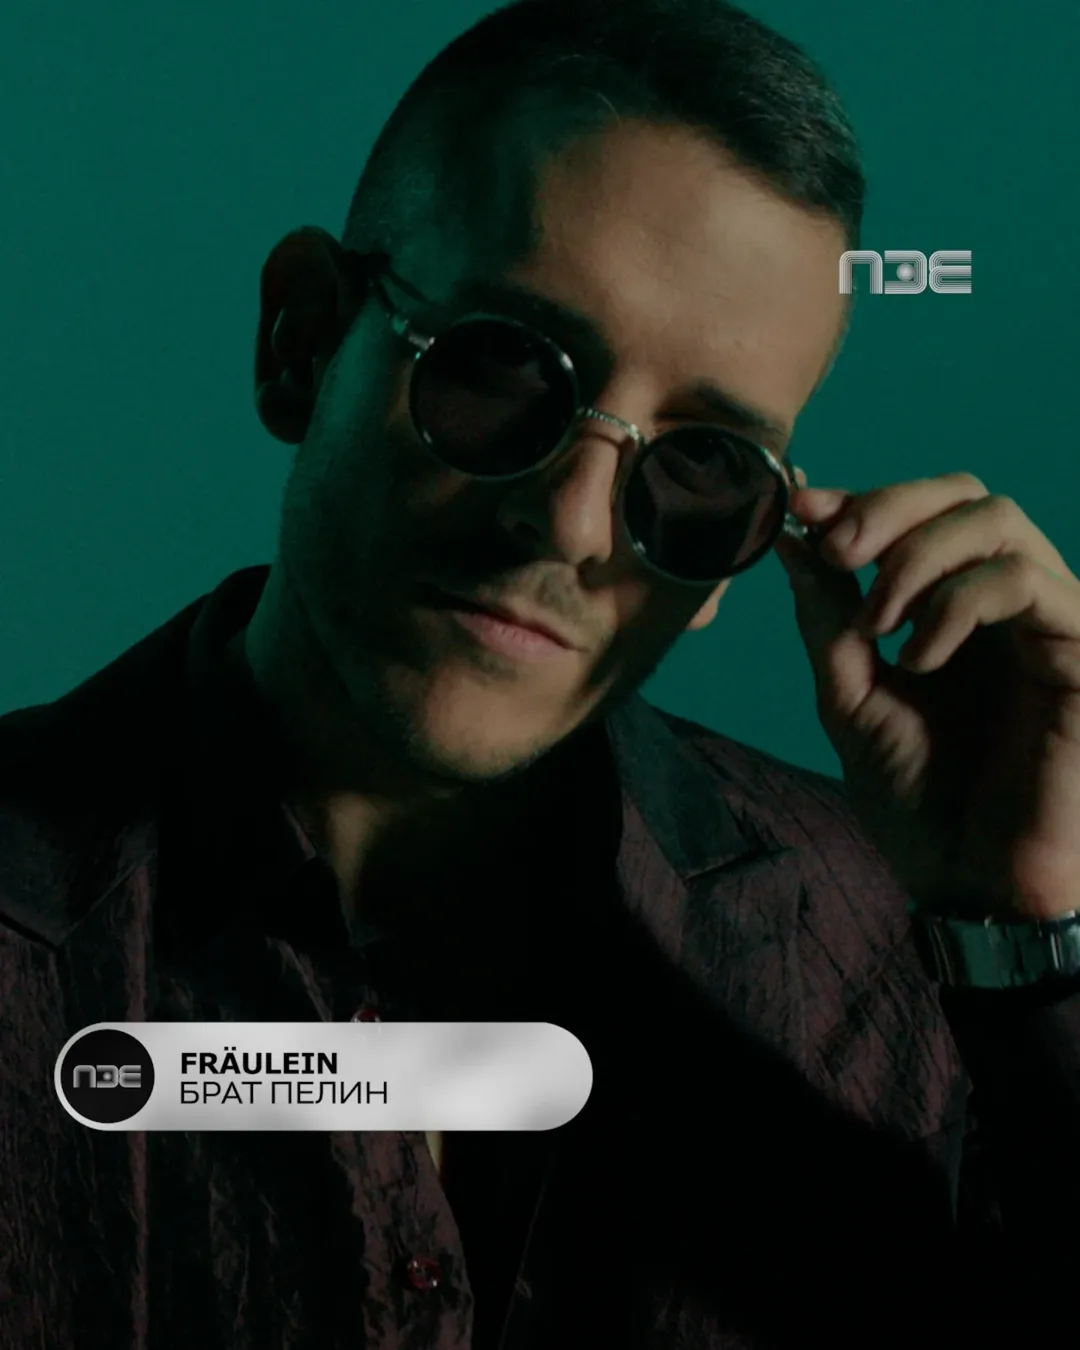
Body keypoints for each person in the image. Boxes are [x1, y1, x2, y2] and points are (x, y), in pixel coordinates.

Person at [2, 1, 1080, 1346]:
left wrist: (1026, 945)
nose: (570, 524)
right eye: (503, 368)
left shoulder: (894, 954)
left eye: (701, 464)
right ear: (303, 342)